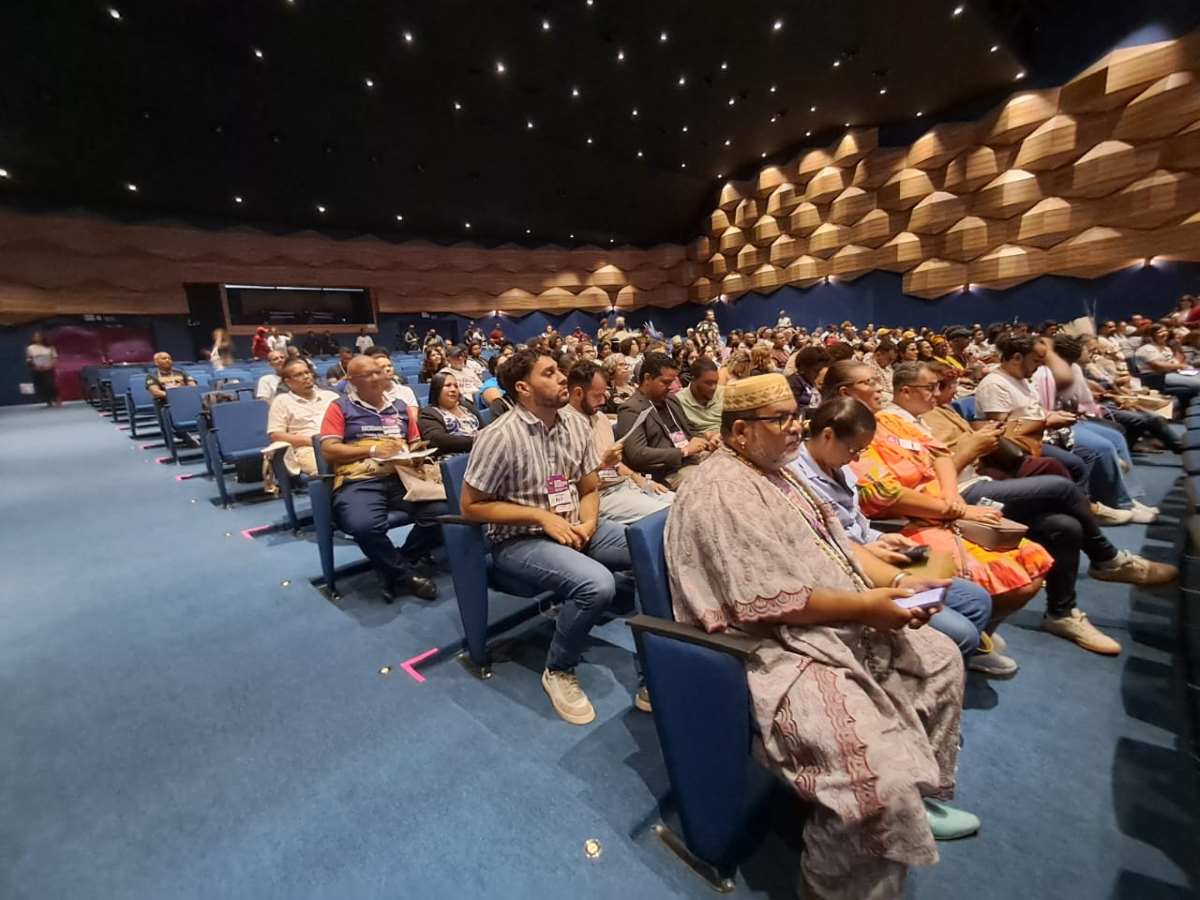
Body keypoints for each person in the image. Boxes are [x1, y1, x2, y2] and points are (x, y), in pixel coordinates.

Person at [666, 372, 975, 899]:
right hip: (773, 646)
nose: (796, 428)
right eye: (781, 419)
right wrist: (869, 607)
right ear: (740, 431)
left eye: (797, 416)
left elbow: (837, 545)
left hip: (831, 618)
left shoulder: (779, 472)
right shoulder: (720, 490)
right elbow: (763, 601)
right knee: (877, 780)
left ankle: (917, 789)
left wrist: (898, 585)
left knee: (942, 656)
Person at [850, 360, 1175, 655]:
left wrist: (959, 482)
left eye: (940, 386)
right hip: (929, 512)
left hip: (953, 496)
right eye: (870, 382)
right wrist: (958, 496)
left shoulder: (913, 419)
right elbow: (887, 494)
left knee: (1063, 526)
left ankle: (1062, 613)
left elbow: (940, 457)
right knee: (1060, 482)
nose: (880, 387)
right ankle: (1107, 559)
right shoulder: (871, 428)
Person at [460, 349, 637, 725]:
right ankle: (558, 669)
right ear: (523, 388)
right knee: (597, 585)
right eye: (550, 372)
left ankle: (658, 658)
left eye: (560, 370)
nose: (562, 377)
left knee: (652, 549)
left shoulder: (574, 424)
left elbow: (589, 486)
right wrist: (541, 516)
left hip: (576, 525)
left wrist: (589, 523)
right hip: (519, 539)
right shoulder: (498, 436)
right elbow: (471, 507)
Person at [794, 396, 1005, 672]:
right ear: (827, 436)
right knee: (962, 633)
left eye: (861, 451)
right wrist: (870, 551)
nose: (856, 458)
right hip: (847, 568)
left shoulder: (840, 466)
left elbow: (858, 523)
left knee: (977, 599)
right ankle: (937, 665)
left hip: (876, 552)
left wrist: (880, 538)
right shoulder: (795, 478)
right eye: (854, 450)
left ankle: (955, 662)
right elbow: (819, 541)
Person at [319, 356, 444, 602]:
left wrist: (417, 453)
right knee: (364, 527)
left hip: (401, 477)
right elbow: (329, 450)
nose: (377, 377)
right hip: (360, 480)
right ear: (351, 380)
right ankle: (406, 575)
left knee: (445, 512)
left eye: (379, 371)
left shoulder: (400, 406)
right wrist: (373, 449)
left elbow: (413, 442)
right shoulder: (339, 407)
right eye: (368, 374)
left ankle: (395, 565)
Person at [975, 335, 1133, 525]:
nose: (1040, 366)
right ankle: (1085, 511)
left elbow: (1032, 410)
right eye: (1035, 361)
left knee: (1091, 452)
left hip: (1035, 437)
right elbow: (999, 427)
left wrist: (1052, 415)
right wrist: (1047, 421)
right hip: (1017, 446)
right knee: (1078, 462)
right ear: (1017, 358)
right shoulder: (994, 384)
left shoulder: (1021, 379)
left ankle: (1083, 507)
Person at [563, 360, 673, 524]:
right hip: (600, 495)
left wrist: (641, 480)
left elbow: (616, 463)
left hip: (624, 484)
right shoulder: (563, 426)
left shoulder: (600, 417)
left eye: (604, 394)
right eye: (597, 396)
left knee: (680, 502)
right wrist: (604, 464)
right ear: (578, 393)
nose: (603, 401)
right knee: (671, 514)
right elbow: (577, 484)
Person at [615, 352, 713, 488]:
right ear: (647, 378)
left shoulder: (671, 399)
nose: (671, 387)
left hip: (690, 459)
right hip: (665, 472)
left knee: (728, 464)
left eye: (672, 382)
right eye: (666, 382)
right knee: (709, 481)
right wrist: (683, 451)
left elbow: (690, 429)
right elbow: (638, 454)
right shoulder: (631, 409)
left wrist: (706, 438)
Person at [267, 359, 340, 477]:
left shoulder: (331, 396)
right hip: (308, 448)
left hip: (339, 442)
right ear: (288, 382)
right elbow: (276, 435)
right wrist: (313, 442)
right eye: (299, 375)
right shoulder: (281, 401)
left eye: (307, 372)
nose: (306, 377)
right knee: (330, 469)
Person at [418, 371, 481, 453]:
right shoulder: (428, 413)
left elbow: (484, 429)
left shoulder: (466, 406)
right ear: (437, 389)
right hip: (455, 456)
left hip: (480, 450)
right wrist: (476, 441)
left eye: (456, 386)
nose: (453, 389)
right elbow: (438, 440)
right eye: (448, 385)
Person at [1136, 323, 1200, 401]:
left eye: (1165, 331)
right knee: (1198, 384)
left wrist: (1178, 365)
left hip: (1172, 373)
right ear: (1151, 335)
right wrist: (1180, 366)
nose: (1164, 333)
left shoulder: (1166, 348)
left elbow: (1173, 362)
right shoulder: (1147, 348)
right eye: (1160, 332)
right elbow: (1158, 366)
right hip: (1157, 377)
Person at [674, 357, 724, 437]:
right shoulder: (678, 402)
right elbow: (678, 435)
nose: (714, 387)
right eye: (708, 383)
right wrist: (706, 437)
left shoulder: (723, 393)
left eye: (716, 382)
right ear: (693, 379)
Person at [25, 331, 60, 407]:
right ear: (33, 338)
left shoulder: (50, 347)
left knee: (50, 384)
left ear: (42, 337)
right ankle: (48, 401)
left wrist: (50, 366)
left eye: (39, 336)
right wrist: (34, 366)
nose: (37, 338)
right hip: (37, 369)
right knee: (41, 386)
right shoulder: (30, 348)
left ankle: (57, 399)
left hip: (48, 368)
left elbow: (55, 358)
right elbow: (28, 359)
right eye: (35, 336)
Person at [865, 339, 896, 405]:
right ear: (878, 354)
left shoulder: (887, 366)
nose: (890, 363)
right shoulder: (868, 367)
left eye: (892, 360)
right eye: (889, 359)